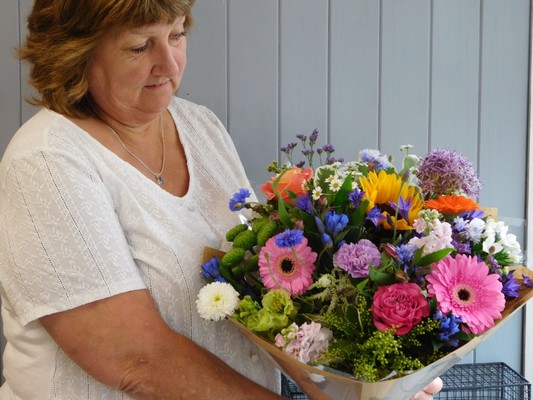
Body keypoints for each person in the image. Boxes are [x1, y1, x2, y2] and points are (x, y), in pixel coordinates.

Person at [0, 0, 442, 398]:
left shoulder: (198, 127)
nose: (168, 62)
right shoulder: (46, 161)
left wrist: (352, 387)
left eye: (176, 35)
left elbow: (258, 283)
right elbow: (137, 360)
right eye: (140, 47)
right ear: (75, 54)